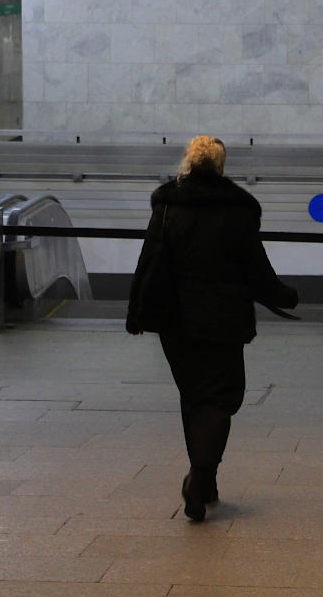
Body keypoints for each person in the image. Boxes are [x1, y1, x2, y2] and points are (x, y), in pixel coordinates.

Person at [126, 135, 298, 522]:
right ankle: (199, 479)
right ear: (221, 166)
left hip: (175, 322)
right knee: (222, 399)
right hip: (223, 320)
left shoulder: (168, 206)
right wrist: (286, 296)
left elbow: (148, 261)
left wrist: (137, 314)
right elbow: (256, 268)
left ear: (187, 162)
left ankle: (206, 480)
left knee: (194, 397)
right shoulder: (235, 209)